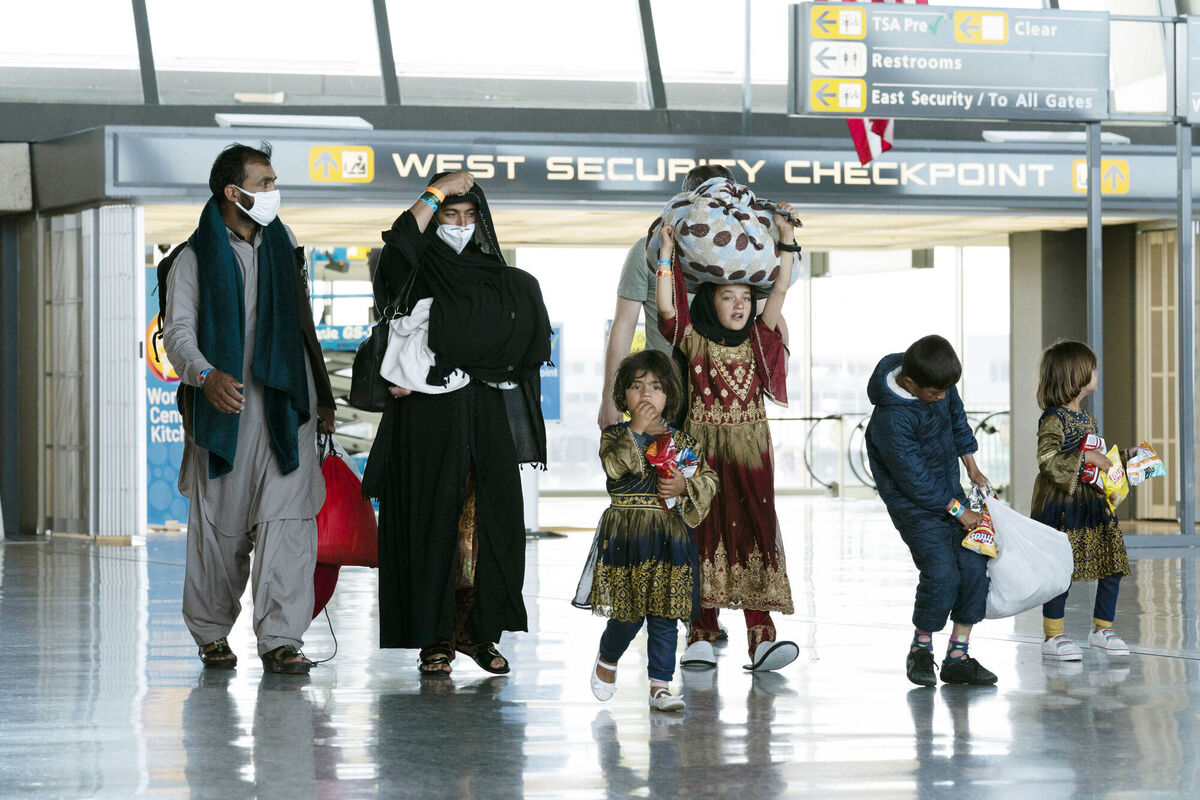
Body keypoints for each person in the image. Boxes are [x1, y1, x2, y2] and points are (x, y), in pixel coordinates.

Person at [362, 170, 552, 676]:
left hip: (484, 420)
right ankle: (436, 639)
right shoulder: (411, 271)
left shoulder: (502, 281)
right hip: (426, 422)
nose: (461, 224)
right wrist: (437, 189)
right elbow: (400, 243)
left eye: (470, 216)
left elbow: (525, 351)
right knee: (431, 523)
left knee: (486, 527)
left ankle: (478, 633)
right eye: (451, 214)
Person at [163, 142, 336, 675]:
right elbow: (178, 334)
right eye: (264, 183)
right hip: (226, 413)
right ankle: (213, 634)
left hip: (286, 410)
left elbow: (303, 333)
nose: (272, 192)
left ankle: (281, 640)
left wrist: (322, 399)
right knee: (221, 530)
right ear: (231, 192)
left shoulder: (286, 248)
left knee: (290, 523)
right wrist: (206, 376)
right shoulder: (191, 260)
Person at [654, 203, 801, 673]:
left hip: (752, 452)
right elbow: (665, 307)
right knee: (702, 531)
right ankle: (700, 632)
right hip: (699, 451)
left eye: (744, 296)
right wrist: (665, 255)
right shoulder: (692, 338)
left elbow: (778, 286)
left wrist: (786, 240)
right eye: (728, 297)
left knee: (756, 529)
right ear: (710, 302)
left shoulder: (760, 337)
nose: (739, 305)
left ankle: (762, 637)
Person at [574, 349, 718, 711]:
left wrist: (686, 488)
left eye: (655, 386)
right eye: (637, 387)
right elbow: (614, 466)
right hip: (627, 536)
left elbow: (708, 478)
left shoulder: (683, 442)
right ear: (624, 396)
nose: (646, 394)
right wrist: (636, 430)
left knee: (666, 615)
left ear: (669, 394)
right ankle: (608, 658)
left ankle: (660, 685)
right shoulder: (615, 436)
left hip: (670, 537)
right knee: (628, 613)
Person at [864, 335, 996, 687]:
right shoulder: (890, 419)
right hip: (914, 507)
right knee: (941, 573)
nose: (941, 398)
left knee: (973, 565)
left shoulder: (940, 384)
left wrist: (973, 469)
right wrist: (961, 513)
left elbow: (957, 422)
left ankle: (958, 656)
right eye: (935, 394)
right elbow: (915, 481)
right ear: (909, 383)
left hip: (951, 494)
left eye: (945, 391)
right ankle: (921, 649)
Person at [596, 165, 735, 430]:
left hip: (722, 396)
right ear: (684, 203)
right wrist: (608, 398)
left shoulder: (741, 260)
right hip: (662, 396)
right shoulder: (648, 250)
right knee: (662, 469)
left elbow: (765, 320)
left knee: (707, 471)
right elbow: (623, 325)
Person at [1031, 341, 1131, 660]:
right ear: (1075, 375)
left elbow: (1097, 460)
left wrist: (1126, 461)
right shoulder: (1053, 418)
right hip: (1064, 506)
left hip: (1094, 504)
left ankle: (1103, 629)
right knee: (1062, 569)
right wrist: (1085, 456)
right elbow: (1047, 459)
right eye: (1092, 367)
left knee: (1111, 563)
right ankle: (1053, 636)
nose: (1097, 372)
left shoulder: (1088, 419)